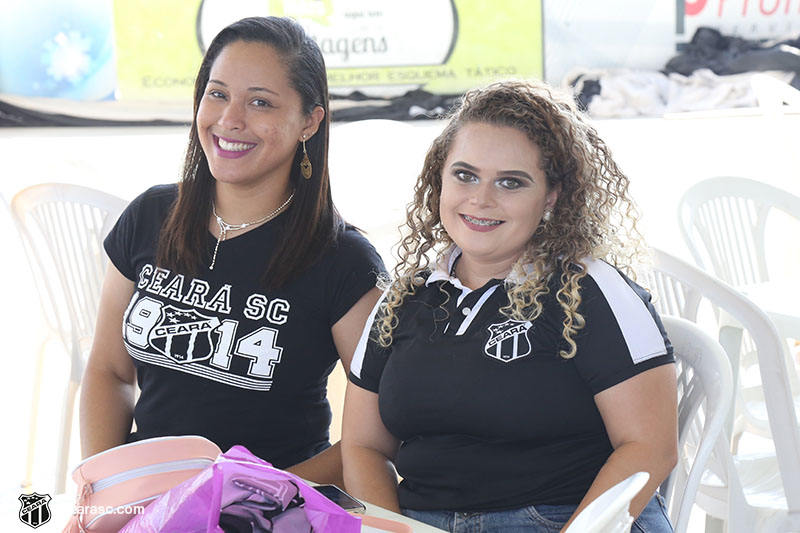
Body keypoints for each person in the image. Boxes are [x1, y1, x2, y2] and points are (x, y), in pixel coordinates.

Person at [341, 80, 678, 532]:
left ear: (552, 197)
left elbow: (651, 446)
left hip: (568, 519)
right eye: (465, 175)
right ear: (439, 178)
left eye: (510, 182)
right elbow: (364, 446)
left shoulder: (589, 289)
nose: (481, 198)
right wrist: (389, 529)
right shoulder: (404, 299)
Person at [80, 16, 384, 486]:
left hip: (266, 509)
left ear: (310, 121)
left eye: (260, 102)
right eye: (217, 94)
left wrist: (254, 495)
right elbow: (109, 370)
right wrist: (106, 487)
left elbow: (382, 432)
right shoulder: (151, 215)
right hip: (146, 499)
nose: (229, 120)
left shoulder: (344, 262)